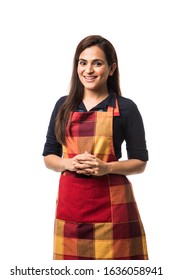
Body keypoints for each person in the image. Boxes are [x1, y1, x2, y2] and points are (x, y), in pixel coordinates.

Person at [42, 35, 149, 260]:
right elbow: (49, 155)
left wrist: (106, 168)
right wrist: (67, 163)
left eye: (97, 63)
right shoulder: (62, 106)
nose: (88, 70)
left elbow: (140, 162)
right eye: (83, 63)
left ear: (111, 69)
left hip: (114, 206)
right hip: (72, 205)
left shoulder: (125, 108)